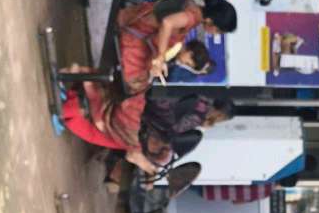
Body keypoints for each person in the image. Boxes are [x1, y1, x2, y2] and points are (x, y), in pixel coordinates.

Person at [76, 0, 237, 154]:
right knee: (133, 97)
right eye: (219, 31)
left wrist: (161, 60)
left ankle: (88, 82)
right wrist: (159, 58)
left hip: (134, 34)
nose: (216, 35)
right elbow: (168, 23)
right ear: (211, 22)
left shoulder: (189, 6)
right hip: (133, 40)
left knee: (137, 90)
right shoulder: (191, 16)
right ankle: (98, 112)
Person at [60, 38, 214, 172]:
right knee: (121, 133)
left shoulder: (176, 65)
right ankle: (79, 99)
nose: (185, 65)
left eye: (189, 65)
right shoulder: (171, 51)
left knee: (126, 134)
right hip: (135, 83)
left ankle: (81, 85)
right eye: (188, 62)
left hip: (138, 86)